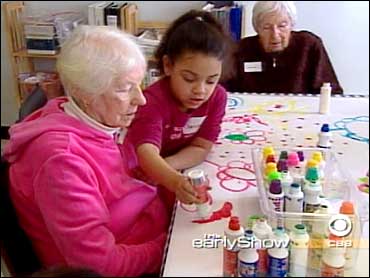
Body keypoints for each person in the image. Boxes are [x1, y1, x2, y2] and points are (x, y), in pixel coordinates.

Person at [3, 25, 169, 277]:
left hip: (148, 233)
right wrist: (167, 244)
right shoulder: (61, 161)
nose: (141, 99)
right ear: (84, 93)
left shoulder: (95, 118)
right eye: (125, 88)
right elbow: (101, 265)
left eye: (139, 84)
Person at [126, 10, 233, 206]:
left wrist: (170, 168)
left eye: (211, 80)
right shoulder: (152, 101)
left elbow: (201, 147)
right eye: (189, 79)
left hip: (170, 169)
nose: (200, 91)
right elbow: (146, 153)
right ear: (168, 65)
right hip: (139, 172)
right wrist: (174, 181)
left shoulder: (217, 97)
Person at [225, 1, 343, 94]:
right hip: (252, 116)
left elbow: (332, 93)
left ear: (291, 25)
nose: (275, 35)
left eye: (282, 26)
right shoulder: (241, 49)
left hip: (299, 116)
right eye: (266, 27)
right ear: (257, 28)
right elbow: (225, 92)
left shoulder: (309, 45)